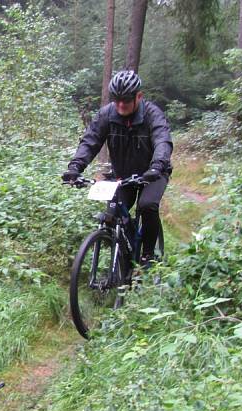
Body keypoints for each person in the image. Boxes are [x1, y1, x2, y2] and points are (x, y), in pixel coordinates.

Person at [62, 70, 173, 266]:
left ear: (138, 96)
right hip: (123, 175)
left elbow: (162, 140)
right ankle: (124, 261)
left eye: (127, 100)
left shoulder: (151, 114)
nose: (121, 104)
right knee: (113, 215)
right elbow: (91, 141)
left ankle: (148, 255)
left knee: (147, 206)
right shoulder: (107, 114)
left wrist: (157, 166)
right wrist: (75, 167)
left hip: (154, 173)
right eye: (117, 100)